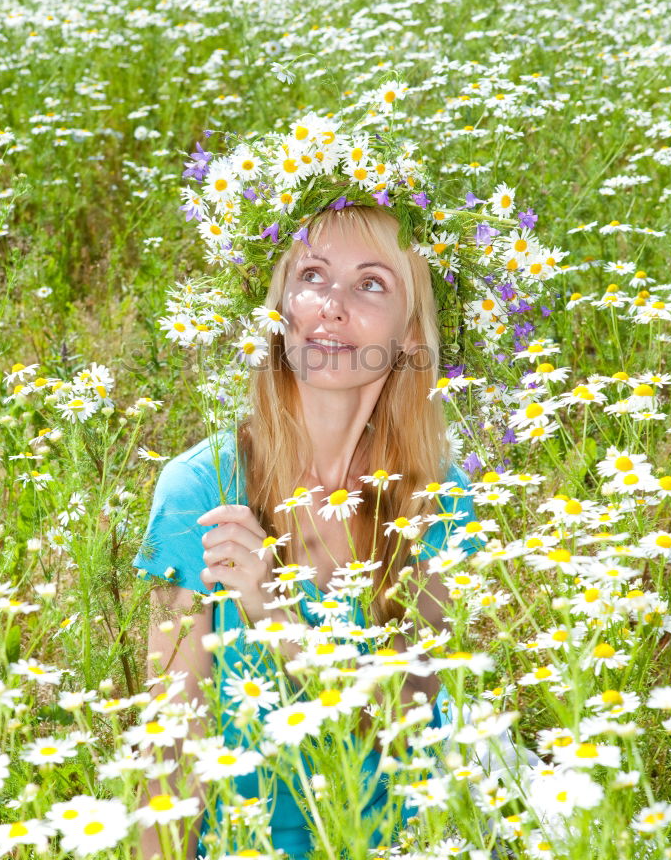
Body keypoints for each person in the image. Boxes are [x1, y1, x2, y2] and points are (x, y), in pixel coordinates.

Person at [134, 204, 484, 859]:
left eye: (370, 284)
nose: (331, 306)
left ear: (409, 335)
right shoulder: (202, 490)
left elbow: (409, 721)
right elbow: (170, 748)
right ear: (279, 313)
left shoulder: (436, 496)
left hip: (400, 842)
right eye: (312, 276)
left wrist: (278, 619)